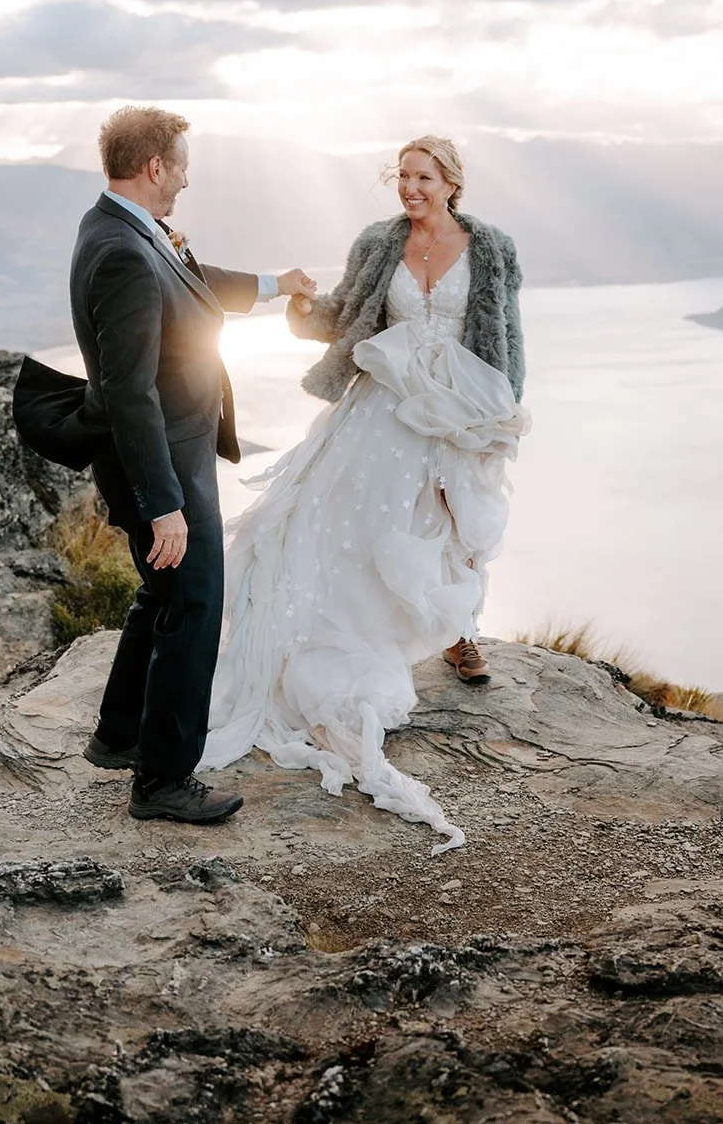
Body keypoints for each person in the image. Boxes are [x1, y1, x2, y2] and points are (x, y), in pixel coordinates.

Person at [199, 135, 529, 852]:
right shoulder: (378, 241)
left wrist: (504, 407)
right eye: (401, 177)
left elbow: (505, 335)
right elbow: (345, 315)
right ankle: (358, 637)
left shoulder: (492, 248)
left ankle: (459, 634)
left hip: (459, 400)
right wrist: (299, 303)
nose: (408, 189)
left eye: (421, 177)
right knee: (358, 520)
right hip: (384, 402)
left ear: (450, 183)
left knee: (456, 512)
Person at [12, 106, 316, 825]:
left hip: (172, 457)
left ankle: (117, 735)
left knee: (160, 597)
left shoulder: (120, 227)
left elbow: (188, 280)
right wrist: (163, 503)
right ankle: (162, 783)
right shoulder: (120, 250)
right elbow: (129, 389)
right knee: (194, 605)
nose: (186, 177)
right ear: (155, 167)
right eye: (181, 164)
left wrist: (274, 285)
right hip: (164, 470)